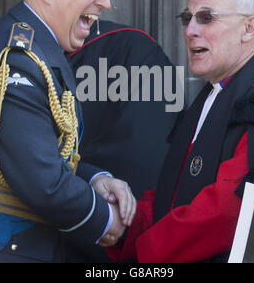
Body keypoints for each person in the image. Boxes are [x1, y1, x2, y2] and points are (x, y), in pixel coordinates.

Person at [0, 0, 136, 263]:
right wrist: (104, 219)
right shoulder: (18, 57)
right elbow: (40, 178)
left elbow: (41, 150)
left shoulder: (39, 48)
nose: (105, 2)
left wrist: (93, 179)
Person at [106, 0, 254, 263]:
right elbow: (172, 193)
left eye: (207, 18)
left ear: (249, 28)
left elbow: (227, 209)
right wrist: (122, 222)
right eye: (187, 18)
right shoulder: (211, 95)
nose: (189, 31)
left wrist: (143, 250)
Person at [68, 20, 179, 261]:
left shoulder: (130, 46)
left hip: (118, 226)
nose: (104, 1)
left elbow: (146, 151)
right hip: (111, 224)